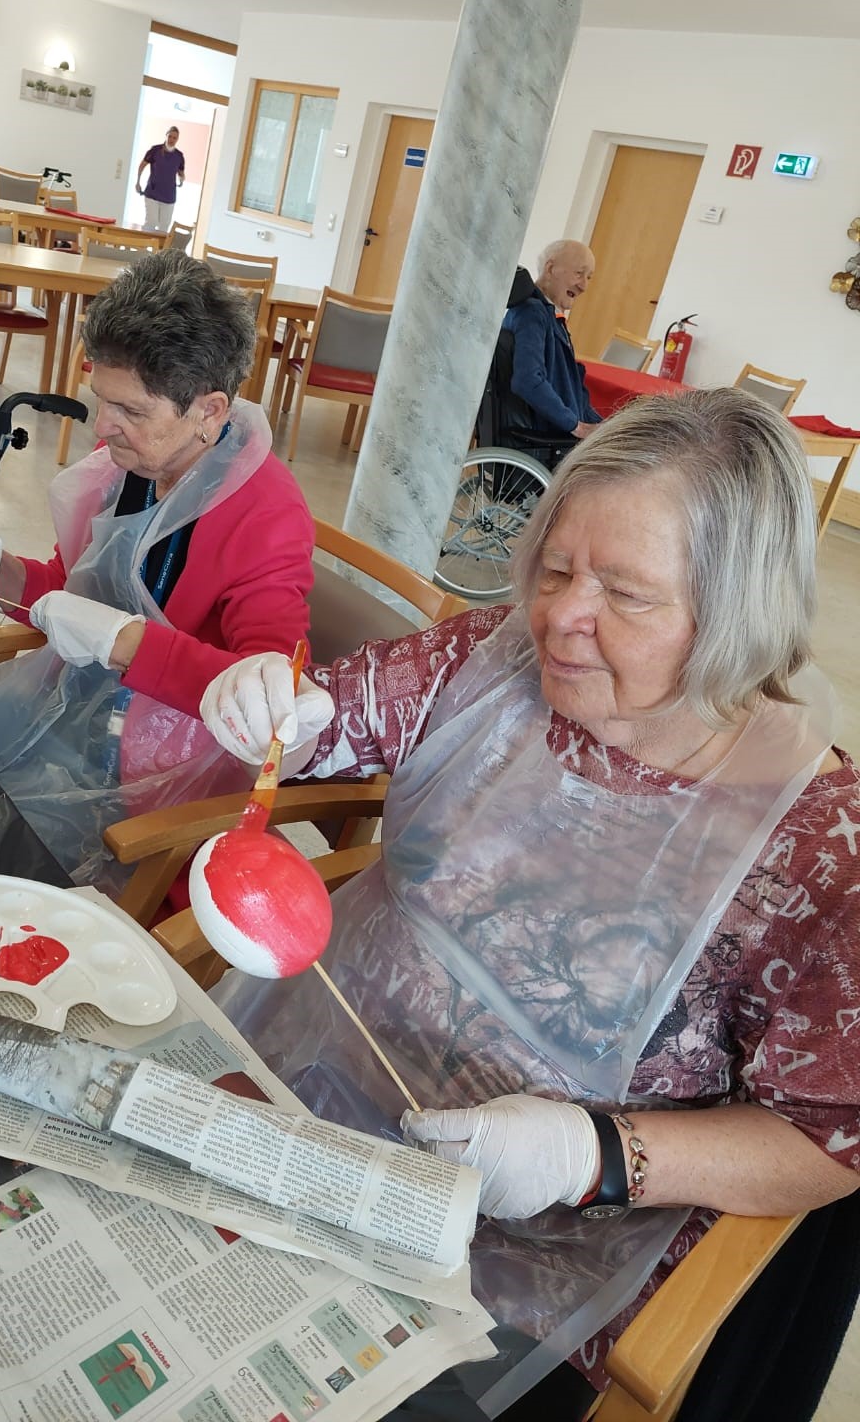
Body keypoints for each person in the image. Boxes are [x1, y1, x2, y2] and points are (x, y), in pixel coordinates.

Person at [198, 388, 860, 1418]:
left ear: (736, 616)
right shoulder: (494, 660)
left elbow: (823, 1141)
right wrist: (287, 709)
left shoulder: (821, 846)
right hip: (316, 1079)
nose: (559, 617)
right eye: (554, 568)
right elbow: (341, 716)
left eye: (624, 594)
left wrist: (594, 1153)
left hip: (530, 1242)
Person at [0, 249, 314, 886]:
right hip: (80, 725)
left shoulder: (266, 515)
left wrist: (123, 641)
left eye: (132, 411)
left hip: (164, 787)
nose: (104, 427)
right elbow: (71, 595)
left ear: (209, 411)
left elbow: (272, 707)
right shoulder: (134, 467)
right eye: (102, 400)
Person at [502, 239, 601, 443]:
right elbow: (527, 381)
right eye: (579, 273)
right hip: (548, 439)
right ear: (550, 268)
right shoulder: (532, 313)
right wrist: (575, 425)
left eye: (589, 277)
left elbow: (574, 393)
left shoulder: (550, 317)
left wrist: (605, 428)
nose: (584, 286)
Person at [135, 126, 185, 233]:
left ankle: (160, 244)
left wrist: (181, 179)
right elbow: (142, 165)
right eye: (170, 136)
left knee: (164, 226)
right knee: (151, 222)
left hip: (169, 195)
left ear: (177, 139)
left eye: (174, 138)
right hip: (153, 193)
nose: (171, 140)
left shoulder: (179, 156)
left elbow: (181, 172)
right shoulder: (155, 150)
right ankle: (144, 243)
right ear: (166, 136)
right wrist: (138, 182)